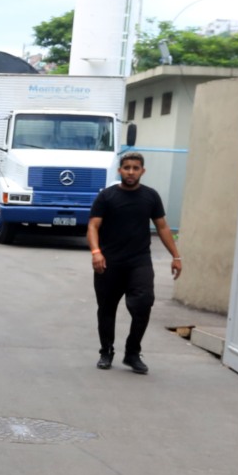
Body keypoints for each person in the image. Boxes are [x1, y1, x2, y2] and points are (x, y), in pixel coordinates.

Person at [87, 151, 183, 374]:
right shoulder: (107, 196)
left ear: (142, 171)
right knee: (107, 309)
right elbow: (93, 226)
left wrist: (176, 256)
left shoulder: (150, 196)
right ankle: (106, 351)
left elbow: (162, 227)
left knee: (143, 304)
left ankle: (132, 352)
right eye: (127, 168)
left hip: (139, 262)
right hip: (108, 263)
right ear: (120, 170)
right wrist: (96, 252)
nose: (131, 172)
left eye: (135, 168)